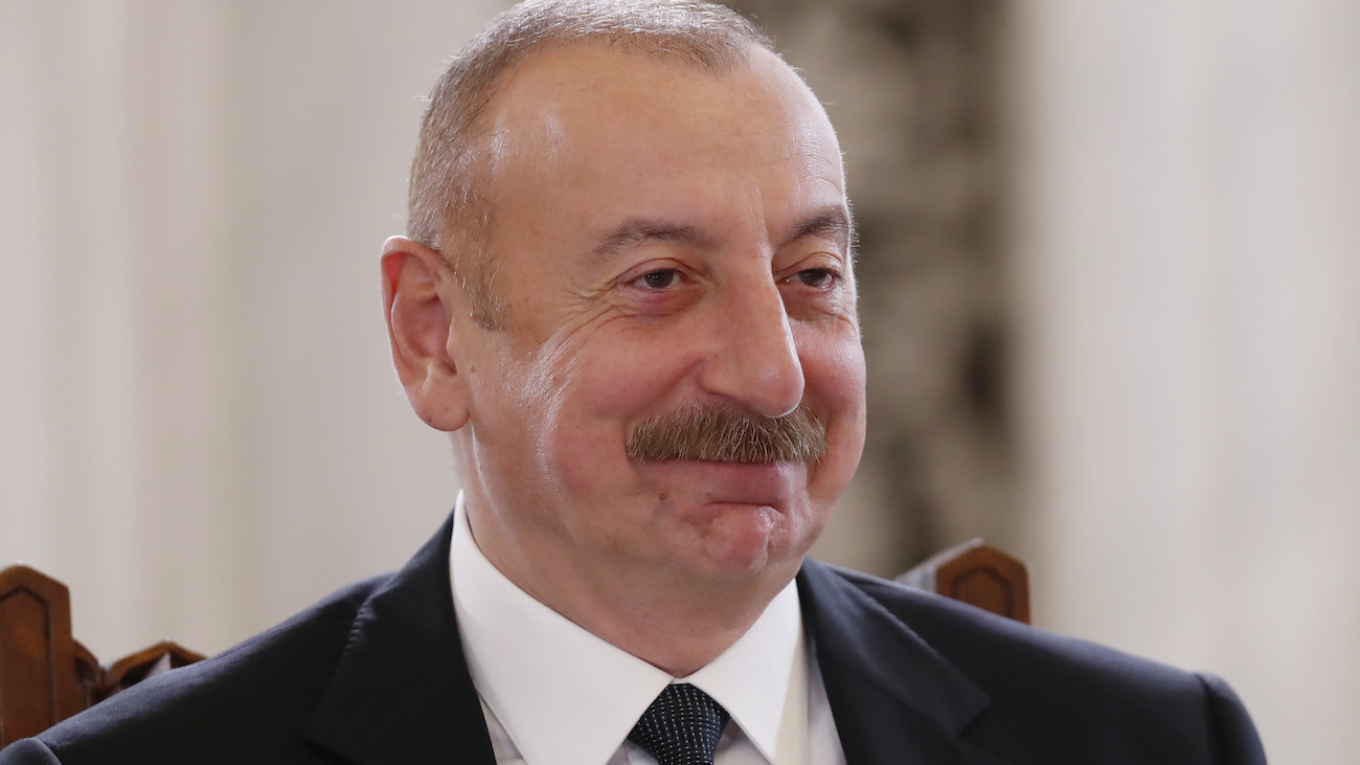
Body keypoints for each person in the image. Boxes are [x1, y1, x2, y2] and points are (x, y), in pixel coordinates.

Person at [0, 1, 1266, 764]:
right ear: (435, 335)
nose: (774, 372)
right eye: (661, 279)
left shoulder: (1151, 746)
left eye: (812, 276)